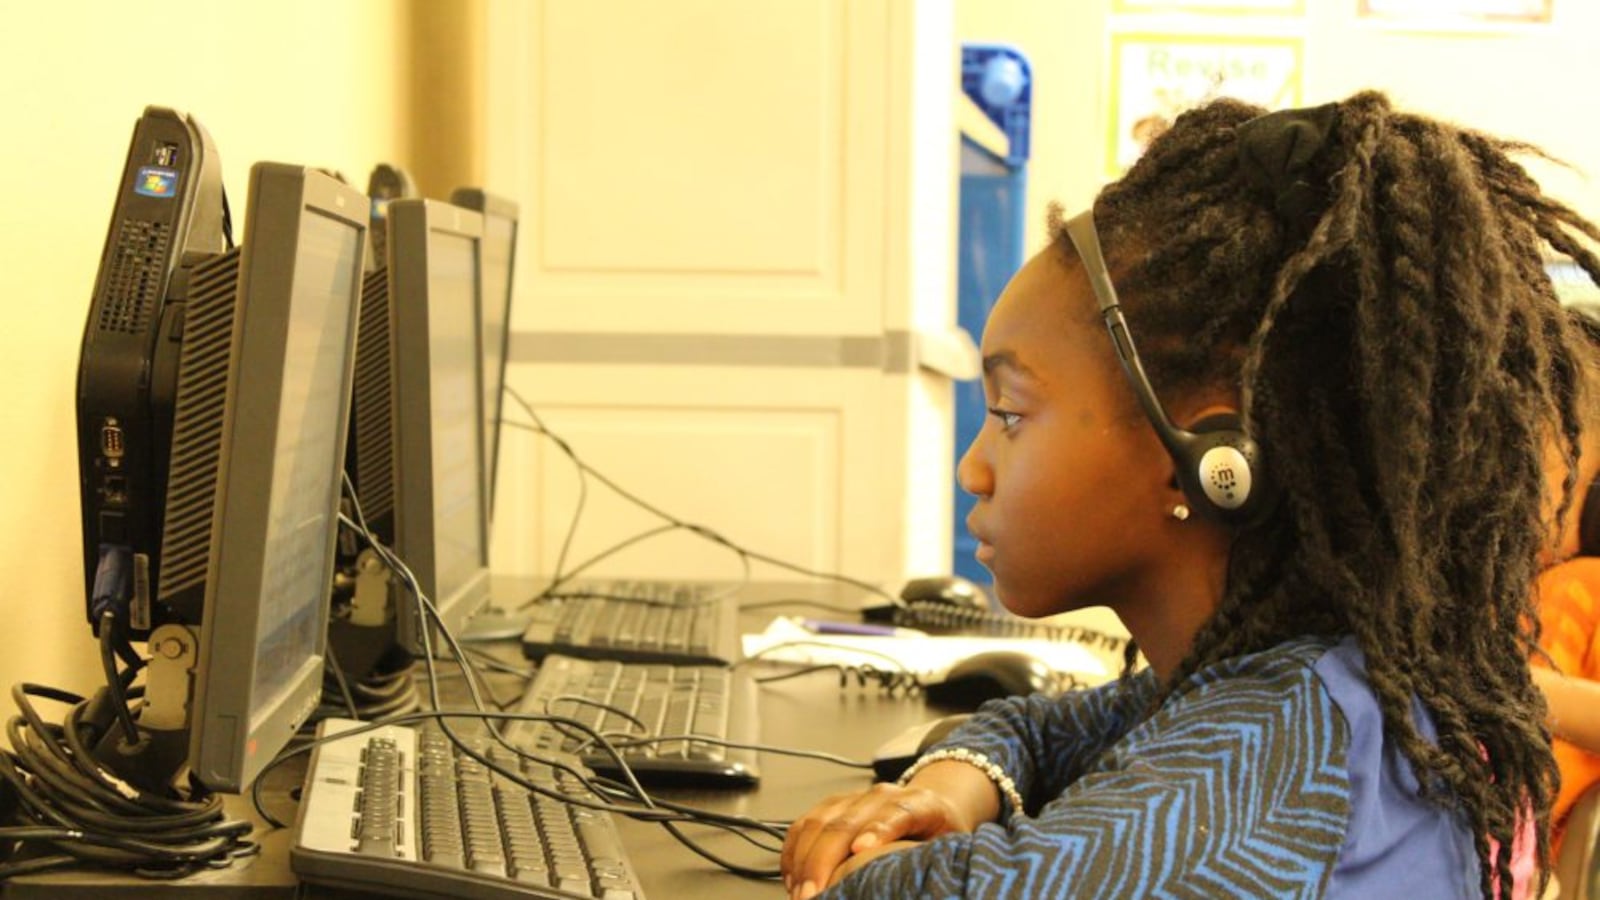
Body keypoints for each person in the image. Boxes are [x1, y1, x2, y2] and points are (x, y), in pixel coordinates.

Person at [780, 91, 1600, 899]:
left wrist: (875, 854)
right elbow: (1043, 726)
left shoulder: (1258, 774)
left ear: (1211, 460)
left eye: (1009, 415)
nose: (974, 468)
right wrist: (951, 785)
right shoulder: (1314, 678)